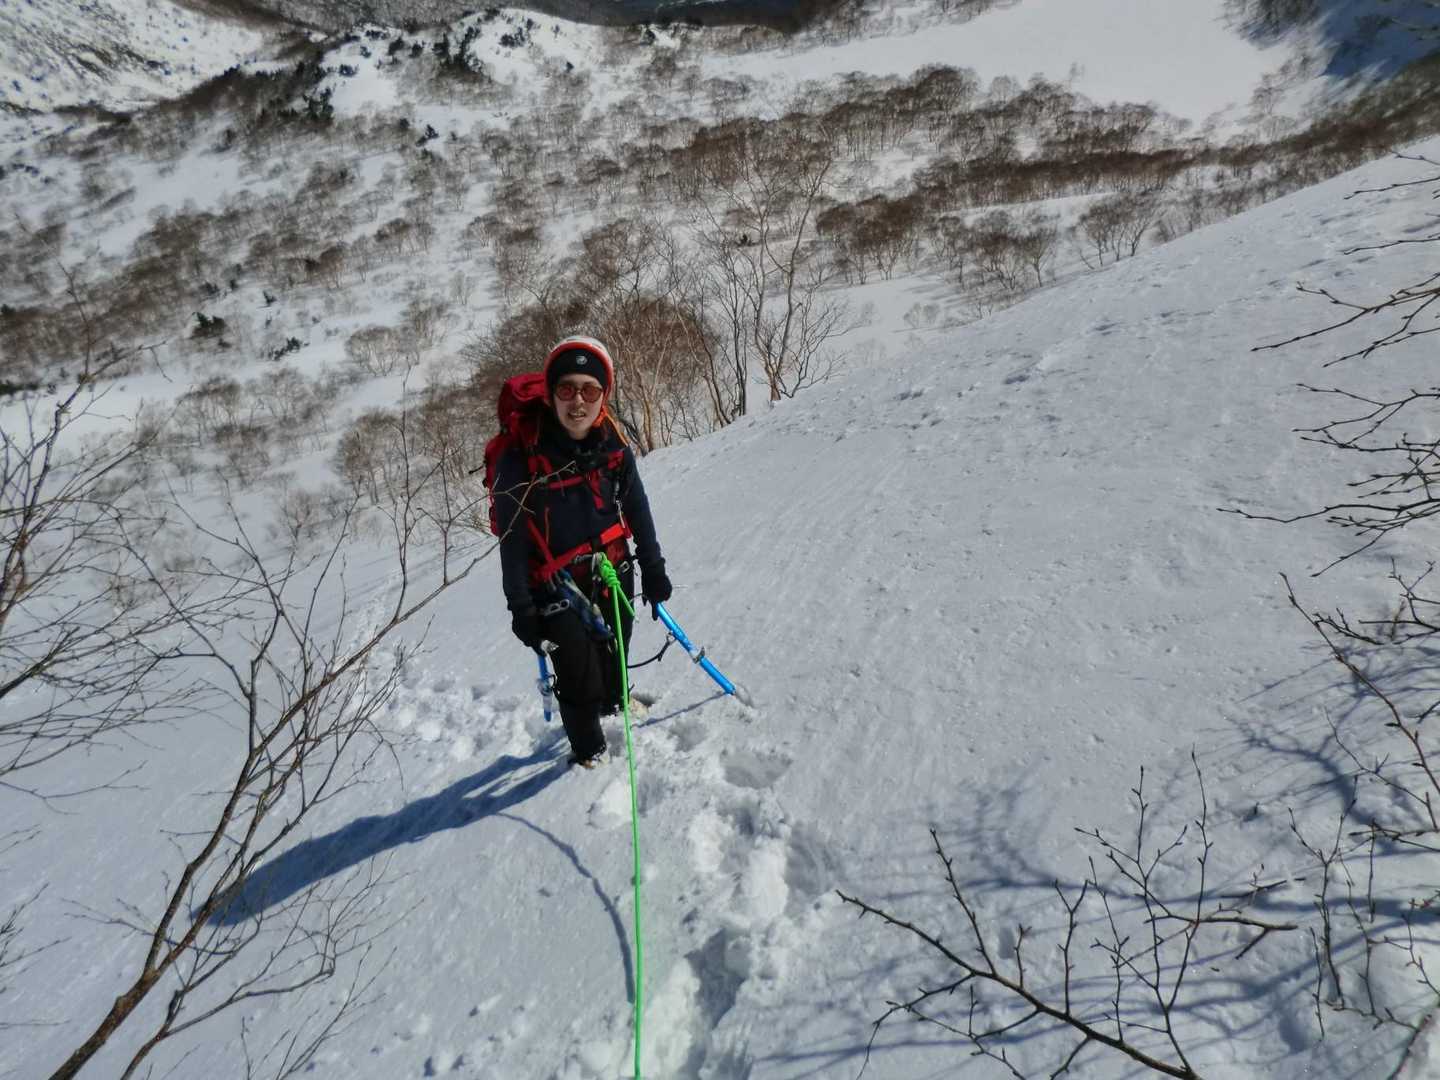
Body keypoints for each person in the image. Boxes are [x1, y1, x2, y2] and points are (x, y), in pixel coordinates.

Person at [492, 336, 673, 767]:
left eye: (590, 390)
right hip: (553, 585)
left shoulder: (612, 444)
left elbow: (637, 507)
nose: (578, 401)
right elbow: (512, 540)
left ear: (603, 395)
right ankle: (589, 753)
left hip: (613, 566)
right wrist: (521, 608)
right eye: (567, 388)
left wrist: (653, 566)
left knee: (617, 646)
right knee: (577, 673)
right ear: (551, 393)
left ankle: (615, 703)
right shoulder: (520, 459)